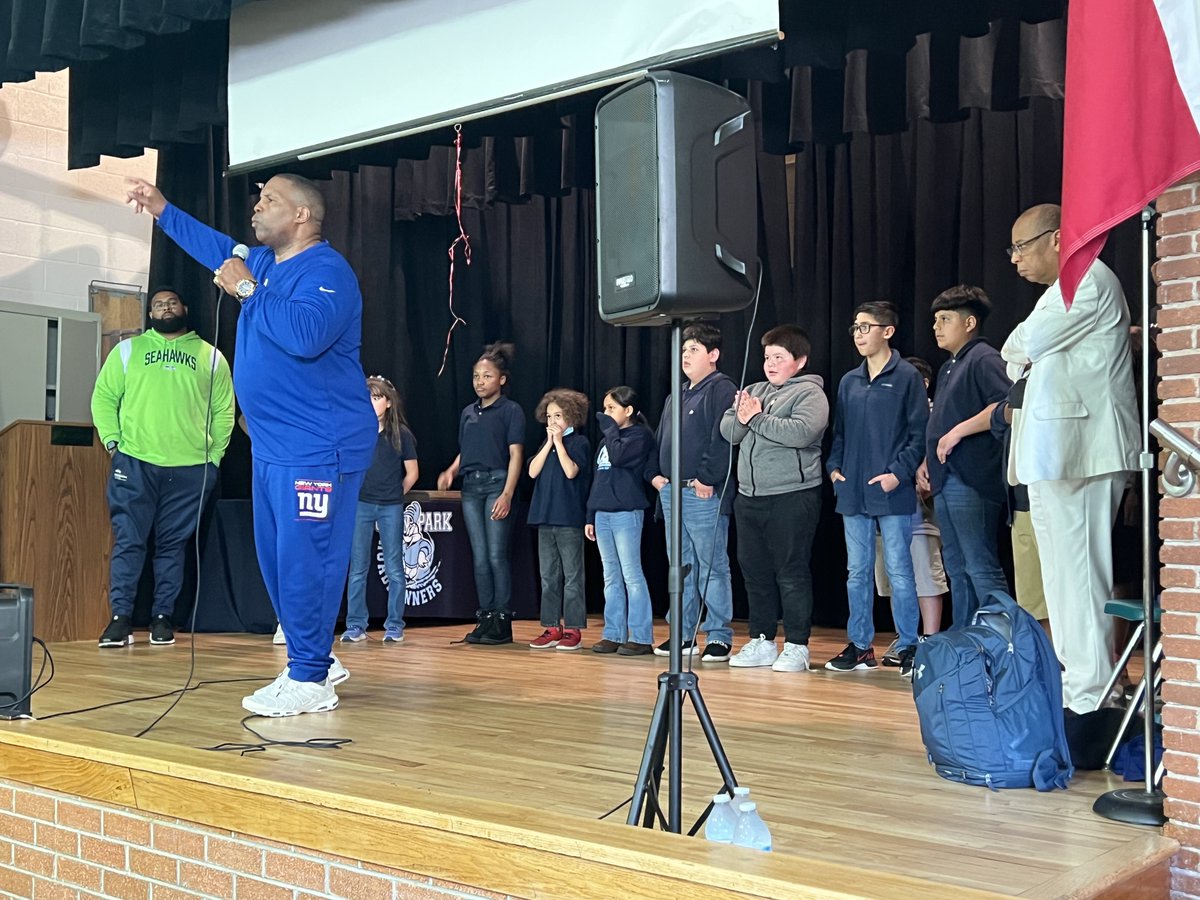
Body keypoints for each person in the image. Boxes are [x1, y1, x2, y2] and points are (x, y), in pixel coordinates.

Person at [124, 174, 378, 717]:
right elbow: (216, 248)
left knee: (306, 559)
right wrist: (162, 208)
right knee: (276, 560)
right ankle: (318, 656)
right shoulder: (262, 262)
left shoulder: (327, 271)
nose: (256, 209)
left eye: (270, 201)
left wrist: (245, 290)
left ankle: (310, 678)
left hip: (319, 446)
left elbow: (306, 336)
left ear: (303, 216)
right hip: (272, 445)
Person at [1002, 202, 1139, 717]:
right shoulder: (1056, 292)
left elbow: (1028, 341)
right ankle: (1082, 686)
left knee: (1081, 576)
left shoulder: (1087, 278)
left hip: (1080, 450)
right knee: (1063, 578)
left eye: (1021, 246)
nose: (1014, 259)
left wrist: (1029, 344)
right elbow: (1013, 350)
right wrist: (1027, 346)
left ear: (1057, 239)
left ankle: (1091, 695)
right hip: (1057, 453)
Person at [91, 287, 234, 648]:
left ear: (184, 307)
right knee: (129, 541)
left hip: (191, 469)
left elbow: (224, 411)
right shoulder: (128, 351)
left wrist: (213, 458)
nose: (165, 308)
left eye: (171, 302)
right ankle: (120, 619)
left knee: (172, 547)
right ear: (149, 314)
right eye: (157, 304)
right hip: (136, 462)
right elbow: (104, 398)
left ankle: (161, 619)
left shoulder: (211, 356)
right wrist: (113, 443)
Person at [825, 302, 929, 677]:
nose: (858, 334)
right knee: (857, 571)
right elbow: (840, 432)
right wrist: (834, 468)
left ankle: (908, 644)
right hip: (852, 490)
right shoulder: (849, 380)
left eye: (865, 327)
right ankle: (860, 645)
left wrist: (897, 474)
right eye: (854, 327)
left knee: (900, 569)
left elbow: (919, 435)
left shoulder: (906, 377)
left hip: (891, 490)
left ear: (887, 331)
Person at [719, 325, 828, 673]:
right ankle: (761, 639)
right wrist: (743, 414)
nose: (770, 363)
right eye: (767, 357)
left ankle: (797, 645)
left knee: (791, 572)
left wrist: (757, 417)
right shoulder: (753, 390)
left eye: (779, 357)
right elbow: (729, 432)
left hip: (792, 495)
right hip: (750, 495)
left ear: (800, 361)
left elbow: (800, 433)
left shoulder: (811, 394)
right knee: (755, 571)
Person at [918, 285, 1012, 628]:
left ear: (970, 322)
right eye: (935, 320)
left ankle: (1000, 639)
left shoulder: (984, 358)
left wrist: (957, 431)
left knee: (980, 564)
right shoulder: (948, 367)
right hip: (946, 478)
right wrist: (927, 461)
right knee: (956, 565)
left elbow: (1005, 406)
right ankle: (965, 638)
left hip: (970, 479)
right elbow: (940, 419)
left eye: (945, 319)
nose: (936, 327)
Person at [646, 322, 738, 662]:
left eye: (694, 350)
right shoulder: (677, 392)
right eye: (683, 350)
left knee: (711, 564)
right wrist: (656, 476)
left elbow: (722, 437)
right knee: (681, 565)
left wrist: (707, 477)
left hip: (701, 492)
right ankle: (683, 635)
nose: (686, 355)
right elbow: (661, 439)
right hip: (672, 492)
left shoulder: (721, 388)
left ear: (713, 355)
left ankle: (718, 634)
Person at [437, 342, 526, 646]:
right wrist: (451, 470)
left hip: (496, 483)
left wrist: (507, 494)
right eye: (476, 376)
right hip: (471, 487)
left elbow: (516, 455)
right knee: (479, 558)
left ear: (501, 379)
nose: (480, 382)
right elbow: (467, 450)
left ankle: (502, 619)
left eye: (487, 376)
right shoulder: (468, 412)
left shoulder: (510, 410)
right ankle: (485, 616)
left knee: (496, 555)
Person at [877, 356, 947, 664]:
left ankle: (929, 639)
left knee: (924, 574)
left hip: (920, 512)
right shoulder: (887, 414)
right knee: (895, 576)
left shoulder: (935, 413)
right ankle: (904, 636)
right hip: (887, 509)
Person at [341, 376, 419, 645]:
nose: (371, 403)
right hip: (361, 504)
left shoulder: (401, 434)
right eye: (367, 397)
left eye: (376, 397)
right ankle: (355, 624)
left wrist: (395, 494)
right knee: (358, 568)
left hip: (390, 506)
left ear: (387, 402)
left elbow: (412, 473)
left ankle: (395, 624)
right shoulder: (356, 433)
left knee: (395, 567)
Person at [586, 386, 657, 656]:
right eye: (604, 408)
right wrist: (590, 515)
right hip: (603, 513)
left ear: (628, 411)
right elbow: (598, 478)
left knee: (631, 575)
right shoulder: (607, 440)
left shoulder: (638, 436)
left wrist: (610, 429)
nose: (605, 414)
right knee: (610, 576)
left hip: (627, 513)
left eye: (611, 408)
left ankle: (640, 636)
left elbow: (619, 457)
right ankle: (613, 633)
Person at [526, 389, 592, 651]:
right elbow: (532, 472)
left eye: (559, 416)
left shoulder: (579, 443)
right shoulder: (546, 444)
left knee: (573, 576)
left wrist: (560, 444)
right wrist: (549, 444)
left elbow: (571, 471)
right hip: (545, 517)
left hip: (569, 519)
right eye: (549, 415)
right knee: (548, 576)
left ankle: (573, 629)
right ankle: (552, 626)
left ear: (572, 418)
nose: (552, 421)